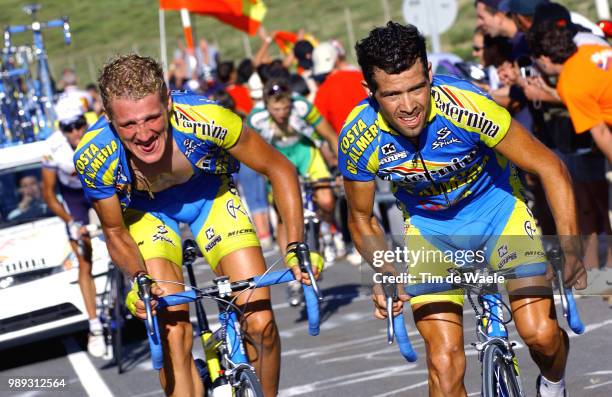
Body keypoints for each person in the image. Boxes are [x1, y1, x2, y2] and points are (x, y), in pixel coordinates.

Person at [339, 22, 586, 397]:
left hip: (498, 212)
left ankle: (553, 383)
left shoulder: (466, 106)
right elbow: (360, 217)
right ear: (369, 91)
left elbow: (550, 167)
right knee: (443, 363)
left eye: (416, 88)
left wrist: (570, 247)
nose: (408, 106)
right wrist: (384, 270)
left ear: (430, 75)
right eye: (392, 95)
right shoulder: (360, 136)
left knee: (541, 334)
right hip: (430, 230)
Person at [73, 54, 319, 397]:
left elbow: (280, 169)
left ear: (169, 104)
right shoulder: (95, 154)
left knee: (260, 323)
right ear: (110, 119)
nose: (143, 134)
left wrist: (296, 246)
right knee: (174, 335)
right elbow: (114, 231)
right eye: (128, 125)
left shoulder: (207, 118)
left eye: (152, 118)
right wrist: (138, 278)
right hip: (147, 215)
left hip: (210, 198)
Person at [247, 77, 338, 304]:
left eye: (285, 107)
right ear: (266, 106)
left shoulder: (302, 107)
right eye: (276, 109)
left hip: (305, 153)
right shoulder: (256, 119)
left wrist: (342, 167)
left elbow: (329, 135)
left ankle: (326, 231)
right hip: (278, 159)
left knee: (326, 200)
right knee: (282, 215)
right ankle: (292, 274)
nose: (282, 113)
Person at [41, 96, 105, 357]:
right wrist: (72, 223)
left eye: (79, 125)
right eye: (69, 128)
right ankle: (95, 325)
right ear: (61, 129)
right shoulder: (52, 147)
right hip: (73, 199)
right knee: (84, 258)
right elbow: (48, 194)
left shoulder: (98, 133)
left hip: (99, 188)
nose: (76, 132)